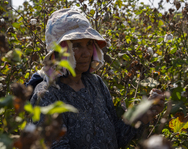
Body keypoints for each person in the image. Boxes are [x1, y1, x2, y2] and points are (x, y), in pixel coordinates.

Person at [27, 8, 165, 149]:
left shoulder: (96, 83)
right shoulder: (47, 95)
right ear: (59, 51)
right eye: (76, 46)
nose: (86, 53)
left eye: (88, 44)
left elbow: (116, 137)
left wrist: (143, 115)